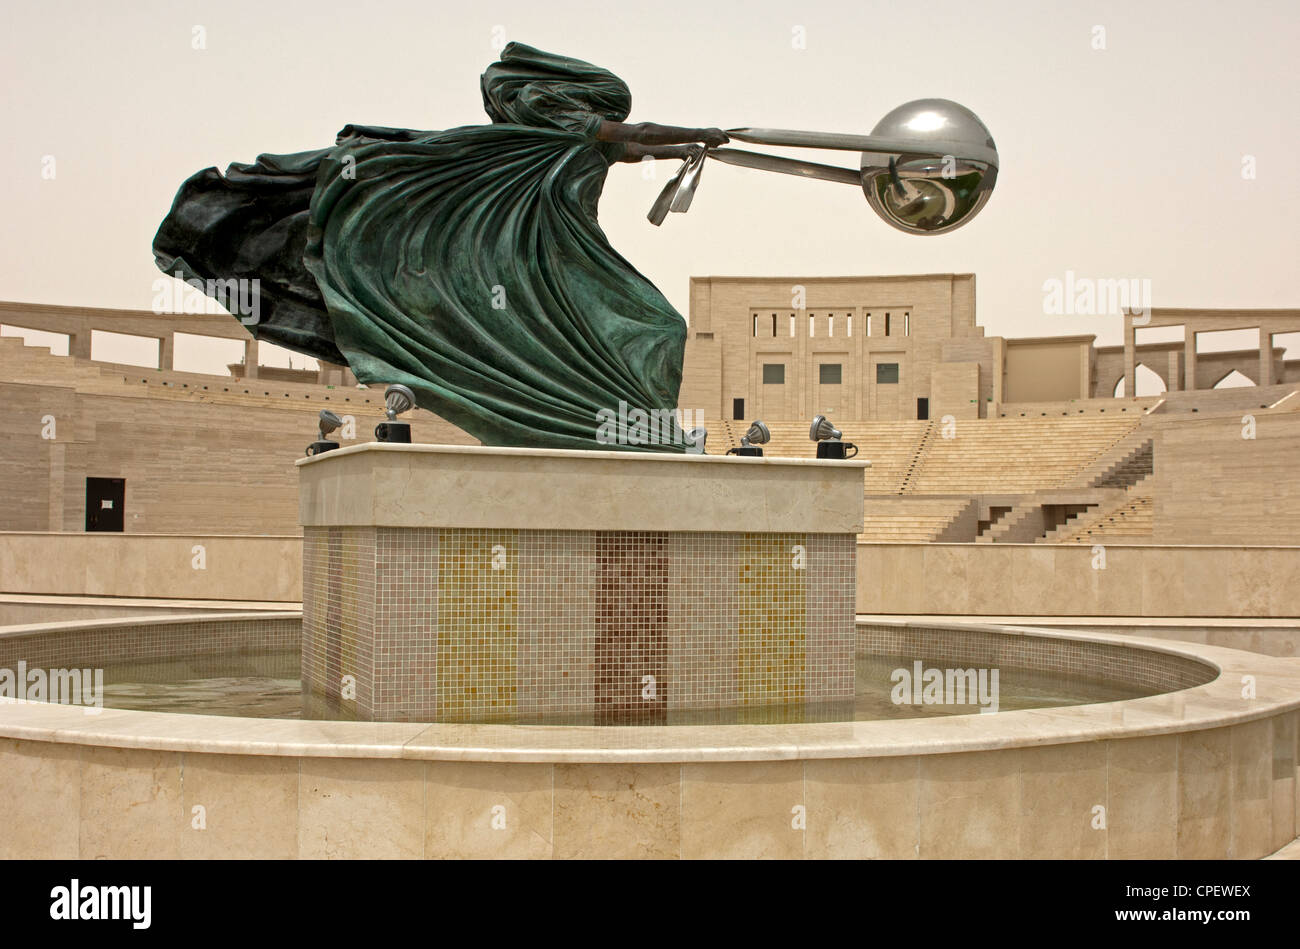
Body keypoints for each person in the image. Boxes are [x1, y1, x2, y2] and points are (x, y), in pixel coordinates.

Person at [153, 42, 727, 451]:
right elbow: (633, 135)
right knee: (658, 326)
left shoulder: (581, 137)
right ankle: (623, 427)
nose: (608, 116)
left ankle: (634, 429)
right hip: (539, 260)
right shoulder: (563, 124)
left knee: (656, 329)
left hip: (564, 257)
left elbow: (631, 147)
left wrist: (685, 151)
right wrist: (694, 133)